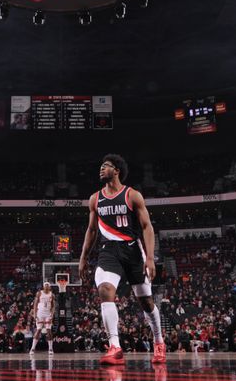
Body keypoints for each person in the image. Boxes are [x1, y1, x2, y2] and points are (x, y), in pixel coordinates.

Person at [78, 154, 166, 365]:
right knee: (105, 290)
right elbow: (91, 230)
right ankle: (115, 346)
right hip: (109, 250)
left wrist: (151, 258)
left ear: (116, 170)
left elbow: (147, 227)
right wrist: (83, 258)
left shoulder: (132, 195)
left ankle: (159, 341)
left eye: (105, 166)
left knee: (146, 301)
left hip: (133, 249)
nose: (101, 169)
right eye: (100, 166)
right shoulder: (95, 199)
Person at [29, 282, 55, 355]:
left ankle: (50, 348)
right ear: (43, 287)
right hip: (40, 313)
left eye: (48, 286)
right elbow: (35, 304)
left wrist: (52, 314)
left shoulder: (52, 295)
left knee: (49, 330)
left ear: (49, 287)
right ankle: (32, 348)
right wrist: (34, 313)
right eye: (45, 286)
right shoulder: (39, 293)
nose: (46, 287)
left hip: (48, 314)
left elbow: (53, 306)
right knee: (38, 330)